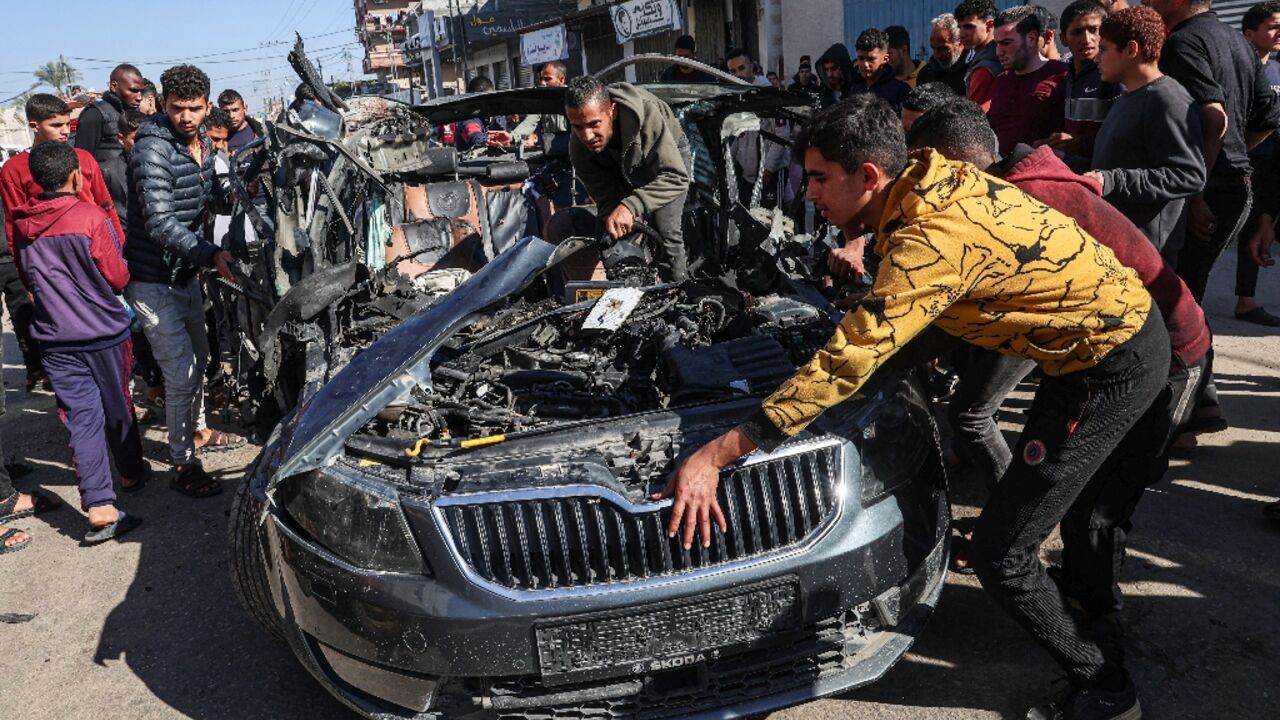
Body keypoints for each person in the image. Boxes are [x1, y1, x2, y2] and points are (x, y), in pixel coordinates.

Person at [659, 95, 1165, 720]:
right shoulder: (925, 173)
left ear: (868, 176)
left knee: (1000, 554)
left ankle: (1108, 688)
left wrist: (719, 451)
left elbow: (858, 351)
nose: (809, 193)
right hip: (1080, 352)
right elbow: (914, 320)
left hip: (1111, 366)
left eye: (820, 178)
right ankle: (1072, 606)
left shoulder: (930, 237)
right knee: (1023, 518)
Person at [907, 97, 1211, 720]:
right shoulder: (1009, 189)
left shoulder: (1027, 204)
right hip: (1102, 356)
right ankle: (1069, 601)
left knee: (1097, 514)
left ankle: (1106, 672)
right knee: (1062, 497)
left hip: (1170, 354)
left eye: (922, 166)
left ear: (955, 167)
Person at [11, 142, 147, 544]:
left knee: (80, 417)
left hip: (54, 338)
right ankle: (131, 472)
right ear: (76, 176)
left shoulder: (21, 223)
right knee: (118, 405)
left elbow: (26, 277)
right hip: (104, 333)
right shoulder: (89, 216)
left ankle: (100, 504)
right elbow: (118, 277)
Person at [124, 64, 245, 500]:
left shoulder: (205, 148)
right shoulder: (151, 150)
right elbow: (159, 222)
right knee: (181, 374)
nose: (187, 117)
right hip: (153, 279)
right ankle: (181, 462)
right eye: (178, 109)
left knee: (200, 358)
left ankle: (197, 432)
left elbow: (214, 198)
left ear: (207, 106)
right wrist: (210, 254)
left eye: (195, 109)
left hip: (185, 273)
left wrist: (240, 192)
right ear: (163, 105)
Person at [1151, 0, 1280, 303]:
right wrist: (1234, 150)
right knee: (1189, 292)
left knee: (1175, 299)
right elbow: (1269, 119)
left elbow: (1214, 116)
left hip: (1205, 193)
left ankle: (1192, 350)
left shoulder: (1183, 42)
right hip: (1233, 188)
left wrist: (1197, 192)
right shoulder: (1238, 40)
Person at [1, 94, 124, 393]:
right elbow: (15, 228)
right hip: (52, 266)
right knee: (66, 338)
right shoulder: (15, 169)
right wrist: (28, 281)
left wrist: (119, 252)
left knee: (111, 330)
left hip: (94, 256)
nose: (64, 130)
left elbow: (105, 206)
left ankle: (120, 391)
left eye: (66, 124)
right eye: (56, 125)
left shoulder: (84, 158)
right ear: (34, 125)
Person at [1089, 5, 1206, 254]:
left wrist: (1110, 180)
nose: (1097, 58)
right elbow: (1120, 161)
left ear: (1131, 49)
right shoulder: (1127, 98)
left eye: (1103, 49)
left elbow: (1188, 174)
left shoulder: (1167, 99)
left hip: (1147, 253)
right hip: (1117, 241)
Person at [565, 75, 692, 281]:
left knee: (665, 229)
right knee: (608, 228)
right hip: (618, 162)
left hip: (666, 158)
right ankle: (622, 291)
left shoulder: (645, 113)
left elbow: (675, 177)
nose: (587, 136)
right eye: (578, 127)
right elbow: (606, 200)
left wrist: (631, 205)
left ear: (612, 111)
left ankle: (680, 292)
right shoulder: (579, 148)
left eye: (594, 124)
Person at [1233, 1, 1280, 326]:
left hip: (1273, 165)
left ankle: (1247, 300)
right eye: (1272, 26)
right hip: (1243, 162)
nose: (1279, 33)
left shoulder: (1277, 69)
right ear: (1250, 33)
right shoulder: (1239, 70)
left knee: (1262, 228)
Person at [1047, 1, 1123, 168]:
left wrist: (1079, 143)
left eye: (1094, 30)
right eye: (1077, 32)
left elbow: (1124, 135)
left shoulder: (1114, 76)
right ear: (1063, 39)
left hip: (1105, 174)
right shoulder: (1067, 76)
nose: (1086, 39)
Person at [988, 5, 1068, 153]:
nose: (999, 52)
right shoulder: (1002, 81)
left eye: (1006, 43)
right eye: (997, 44)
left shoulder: (1061, 76)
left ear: (1031, 38)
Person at [74, 64, 144, 223]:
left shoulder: (131, 114)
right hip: (109, 203)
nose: (139, 96)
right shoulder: (95, 114)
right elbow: (82, 163)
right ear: (114, 86)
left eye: (141, 91)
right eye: (133, 90)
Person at [726, 48, 788, 205]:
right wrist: (729, 166)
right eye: (733, 71)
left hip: (771, 174)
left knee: (774, 223)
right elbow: (736, 137)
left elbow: (781, 135)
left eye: (741, 68)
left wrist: (768, 168)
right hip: (746, 176)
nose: (738, 75)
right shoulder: (736, 98)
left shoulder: (769, 94)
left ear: (751, 67)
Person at [851, 28, 912, 112]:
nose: (865, 64)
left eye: (871, 59)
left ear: (885, 58)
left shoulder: (900, 91)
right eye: (861, 58)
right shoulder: (854, 88)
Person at [955, 0, 1002, 110]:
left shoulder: (985, 69)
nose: (961, 34)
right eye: (960, 27)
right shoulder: (997, 55)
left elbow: (976, 116)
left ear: (989, 25)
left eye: (968, 27)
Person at [512, 61, 571, 145]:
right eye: (541, 79)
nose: (542, 83)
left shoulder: (572, 99)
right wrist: (512, 136)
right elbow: (529, 122)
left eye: (547, 79)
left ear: (561, 79)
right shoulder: (542, 101)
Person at [918, 13, 970, 95]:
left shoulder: (973, 72)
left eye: (942, 49)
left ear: (960, 43)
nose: (936, 56)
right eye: (933, 48)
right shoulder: (926, 75)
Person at [816, 42, 858, 107]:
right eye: (826, 69)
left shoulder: (856, 89)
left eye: (834, 68)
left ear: (843, 67)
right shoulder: (823, 93)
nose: (830, 74)